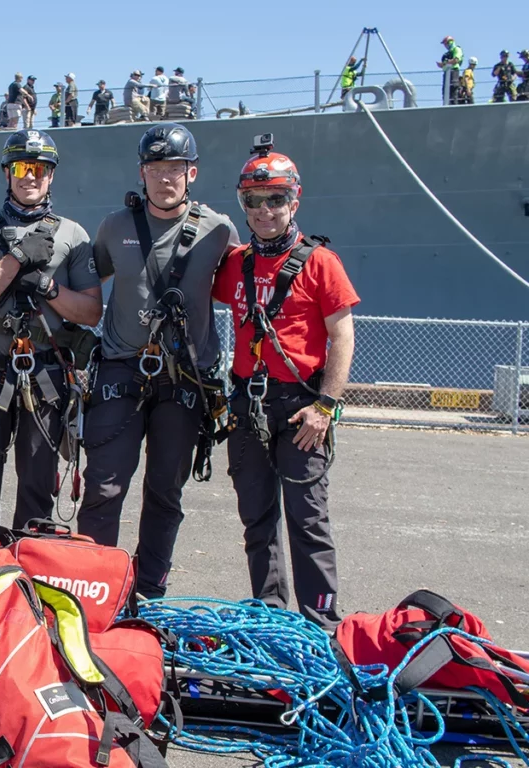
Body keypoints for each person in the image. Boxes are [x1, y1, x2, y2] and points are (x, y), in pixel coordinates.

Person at [78, 124, 239, 599]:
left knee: (166, 494)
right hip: (121, 372)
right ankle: (92, 590)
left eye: (175, 169)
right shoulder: (115, 227)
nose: (165, 178)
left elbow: (251, 283)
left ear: (192, 173)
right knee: (104, 488)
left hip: (184, 379)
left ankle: (150, 593)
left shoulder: (219, 230)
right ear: (141, 173)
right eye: (155, 168)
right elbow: (86, 281)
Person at [212, 134, 359, 630]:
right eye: (253, 201)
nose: (264, 210)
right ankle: (270, 618)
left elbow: (343, 338)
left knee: (308, 521)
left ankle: (322, 627)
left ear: (294, 200)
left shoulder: (320, 263)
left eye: (276, 199)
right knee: (257, 521)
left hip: (301, 409)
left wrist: (326, 407)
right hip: (246, 406)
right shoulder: (234, 263)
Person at [0, 130, 101, 561]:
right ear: (7, 172)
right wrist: (15, 261)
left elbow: (90, 312)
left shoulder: (73, 235)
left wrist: (48, 286)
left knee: (38, 473)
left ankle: (28, 560)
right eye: (21, 168)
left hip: (46, 374)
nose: (30, 176)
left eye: (39, 169)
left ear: (51, 175)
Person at [438, 36, 464, 105]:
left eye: (445, 44)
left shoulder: (457, 49)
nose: (445, 46)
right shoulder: (448, 53)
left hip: (453, 72)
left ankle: (453, 107)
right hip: (446, 72)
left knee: (453, 90)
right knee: (445, 92)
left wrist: (444, 63)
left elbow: (456, 60)